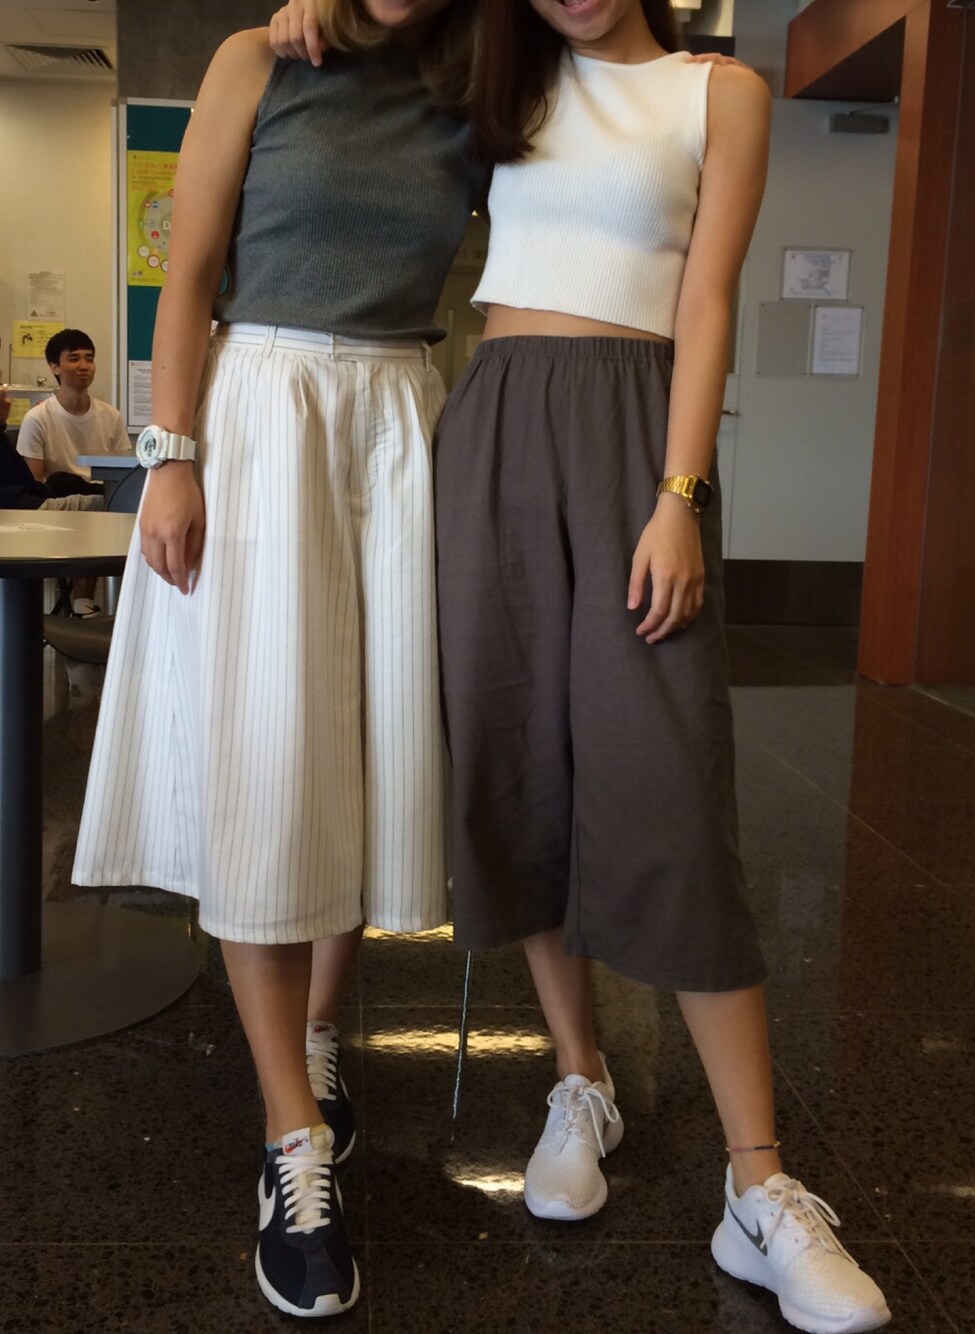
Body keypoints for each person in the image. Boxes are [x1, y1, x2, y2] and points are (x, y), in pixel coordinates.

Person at [430, 3, 890, 1333]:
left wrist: (679, 492)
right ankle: (581, 1078)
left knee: (671, 787)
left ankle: (758, 1183)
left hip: (639, 430)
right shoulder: (498, 75)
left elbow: (706, 295)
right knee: (514, 759)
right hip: (497, 424)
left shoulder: (717, 91)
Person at [72, 0, 483, 1318]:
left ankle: (311, 1038)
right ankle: (289, 1133)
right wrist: (170, 456)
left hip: (403, 415)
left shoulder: (475, 79)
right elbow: (189, 275)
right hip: (264, 409)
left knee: (359, 753)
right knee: (267, 756)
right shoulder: (259, 57)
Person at [17, 330, 130, 612]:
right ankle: (80, 602)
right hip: (59, 503)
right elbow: (33, 483)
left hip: (99, 502)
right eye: (74, 358)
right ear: (54, 367)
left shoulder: (111, 416)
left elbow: (122, 472)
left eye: (89, 359)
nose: (84, 366)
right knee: (67, 486)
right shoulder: (37, 418)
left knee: (108, 501)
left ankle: (85, 603)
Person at [1, 390, 104, 512]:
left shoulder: (109, 414)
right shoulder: (36, 417)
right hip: (27, 510)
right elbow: (24, 504)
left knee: (61, 481)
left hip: (34, 498)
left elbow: (31, 486)